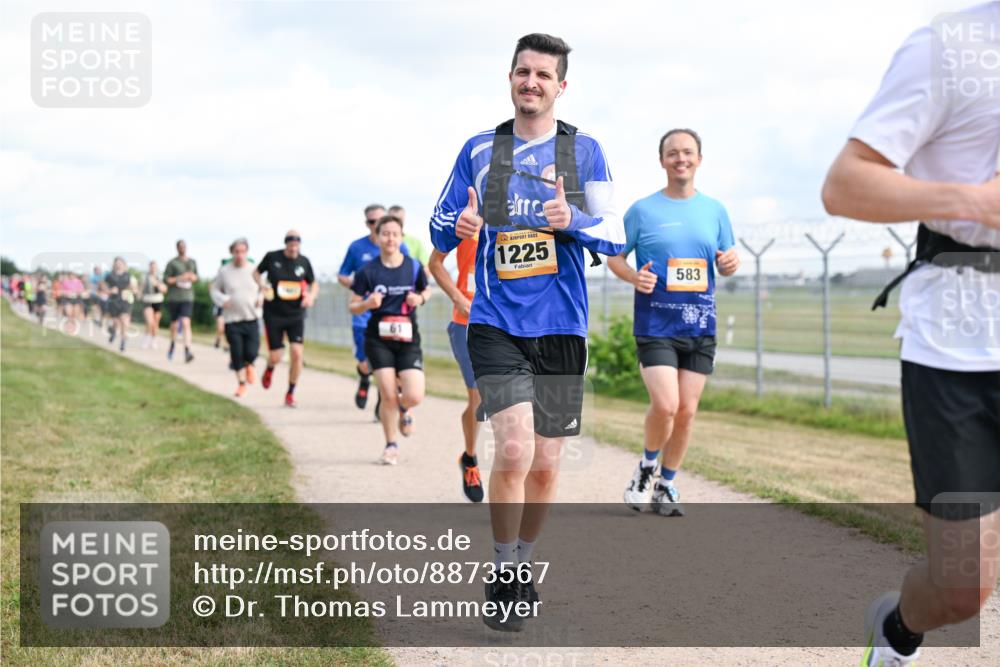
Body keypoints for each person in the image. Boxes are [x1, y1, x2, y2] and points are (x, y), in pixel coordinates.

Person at [821, 4, 999, 665]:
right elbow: (844, 185)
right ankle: (897, 631)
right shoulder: (949, 46)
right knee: (962, 588)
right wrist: (976, 202)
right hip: (959, 348)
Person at [429, 33, 625, 631]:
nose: (531, 82)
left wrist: (574, 220)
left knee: (545, 463)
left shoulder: (584, 150)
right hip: (496, 323)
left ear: (561, 86)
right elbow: (439, 225)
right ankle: (503, 570)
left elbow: (615, 234)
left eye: (543, 74)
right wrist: (460, 222)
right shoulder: (480, 150)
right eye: (523, 72)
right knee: (513, 448)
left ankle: (523, 561)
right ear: (510, 78)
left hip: (562, 328)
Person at [610, 128, 739, 516]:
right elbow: (615, 257)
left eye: (687, 152)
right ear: (662, 160)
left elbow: (726, 260)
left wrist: (729, 264)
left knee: (687, 411)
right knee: (666, 405)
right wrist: (634, 277)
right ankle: (646, 467)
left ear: (699, 159)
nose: (680, 158)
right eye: (673, 153)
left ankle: (665, 485)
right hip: (656, 325)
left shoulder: (715, 211)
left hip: (700, 325)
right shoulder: (643, 210)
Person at [349, 215, 431, 465]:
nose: (390, 238)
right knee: (387, 394)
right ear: (377, 237)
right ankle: (391, 445)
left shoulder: (413, 266)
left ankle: (405, 408)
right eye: (385, 234)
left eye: (395, 234)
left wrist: (420, 299)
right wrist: (367, 303)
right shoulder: (367, 271)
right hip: (378, 339)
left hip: (408, 338)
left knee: (414, 395)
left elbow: (426, 289)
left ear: (401, 237)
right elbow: (352, 305)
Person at [338, 205, 411, 412]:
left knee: (388, 363)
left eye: (381, 220)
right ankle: (364, 378)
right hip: (363, 315)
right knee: (365, 363)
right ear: (367, 224)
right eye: (372, 222)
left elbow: (409, 273)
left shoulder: (399, 246)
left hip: (389, 316)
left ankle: (383, 400)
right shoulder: (356, 247)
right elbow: (342, 275)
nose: (376, 225)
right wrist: (361, 288)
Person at [428, 239, 485, 502]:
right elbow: (435, 263)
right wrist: (457, 297)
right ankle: (470, 458)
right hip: (467, 320)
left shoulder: (520, 219)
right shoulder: (464, 221)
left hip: (507, 320)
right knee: (479, 397)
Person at [255, 229, 318, 408]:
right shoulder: (272, 257)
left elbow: (313, 283)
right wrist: (262, 285)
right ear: (285, 244)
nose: (293, 249)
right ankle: (270, 368)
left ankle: (290, 392)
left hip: (296, 314)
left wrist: (311, 296)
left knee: (297, 353)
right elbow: (256, 273)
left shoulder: (304, 262)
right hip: (274, 313)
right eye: (290, 245)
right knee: (276, 356)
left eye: (296, 245)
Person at [211, 238, 263, 398]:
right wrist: (222, 300)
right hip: (232, 320)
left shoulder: (254, 270)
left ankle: (250, 365)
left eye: (243, 251)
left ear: (247, 252)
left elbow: (264, 287)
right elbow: (214, 290)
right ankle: (241, 385)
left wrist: (261, 297)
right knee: (237, 353)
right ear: (232, 253)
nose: (240, 255)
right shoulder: (224, 271)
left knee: (252, 351)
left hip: (251, 317)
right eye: (237, 252)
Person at [163, 240, 198, 363]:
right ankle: (172, 344)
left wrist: (192, 277)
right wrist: (180, 277)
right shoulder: (172, 263)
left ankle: (187, 350)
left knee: (186, 322)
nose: (182, 249)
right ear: (177, 248)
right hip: (174, 297)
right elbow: (167, 280)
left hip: (187, 297)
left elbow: (196, 277)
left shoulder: (192, 262)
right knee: (174, 325)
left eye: (184, 246)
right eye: (180, 247)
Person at [104, 257, 138, 353]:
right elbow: (103, 287)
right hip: (114, 301)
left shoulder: (129, 276)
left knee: (124, 320)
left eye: (120, 263)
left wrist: (131, 289)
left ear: (124, 264)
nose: (118, 265)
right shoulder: (109, 276)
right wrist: (110, 290)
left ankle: (123, 341)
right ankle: (114, 332)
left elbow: (135, 290)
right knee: (116, 322)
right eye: (117, 263)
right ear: (114, 265)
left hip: (125, 300)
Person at [141, 261, 167, 349]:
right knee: (149, 321)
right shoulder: (145, 276)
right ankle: (146, 337)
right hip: (147, 300)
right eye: (151, 267)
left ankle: (154, 339)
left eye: (154, 267)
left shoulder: (160, 277)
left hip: (158, 300)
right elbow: (141, 288)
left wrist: (157, 284)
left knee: (155, 323)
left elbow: (164, 290)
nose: (153, 268)